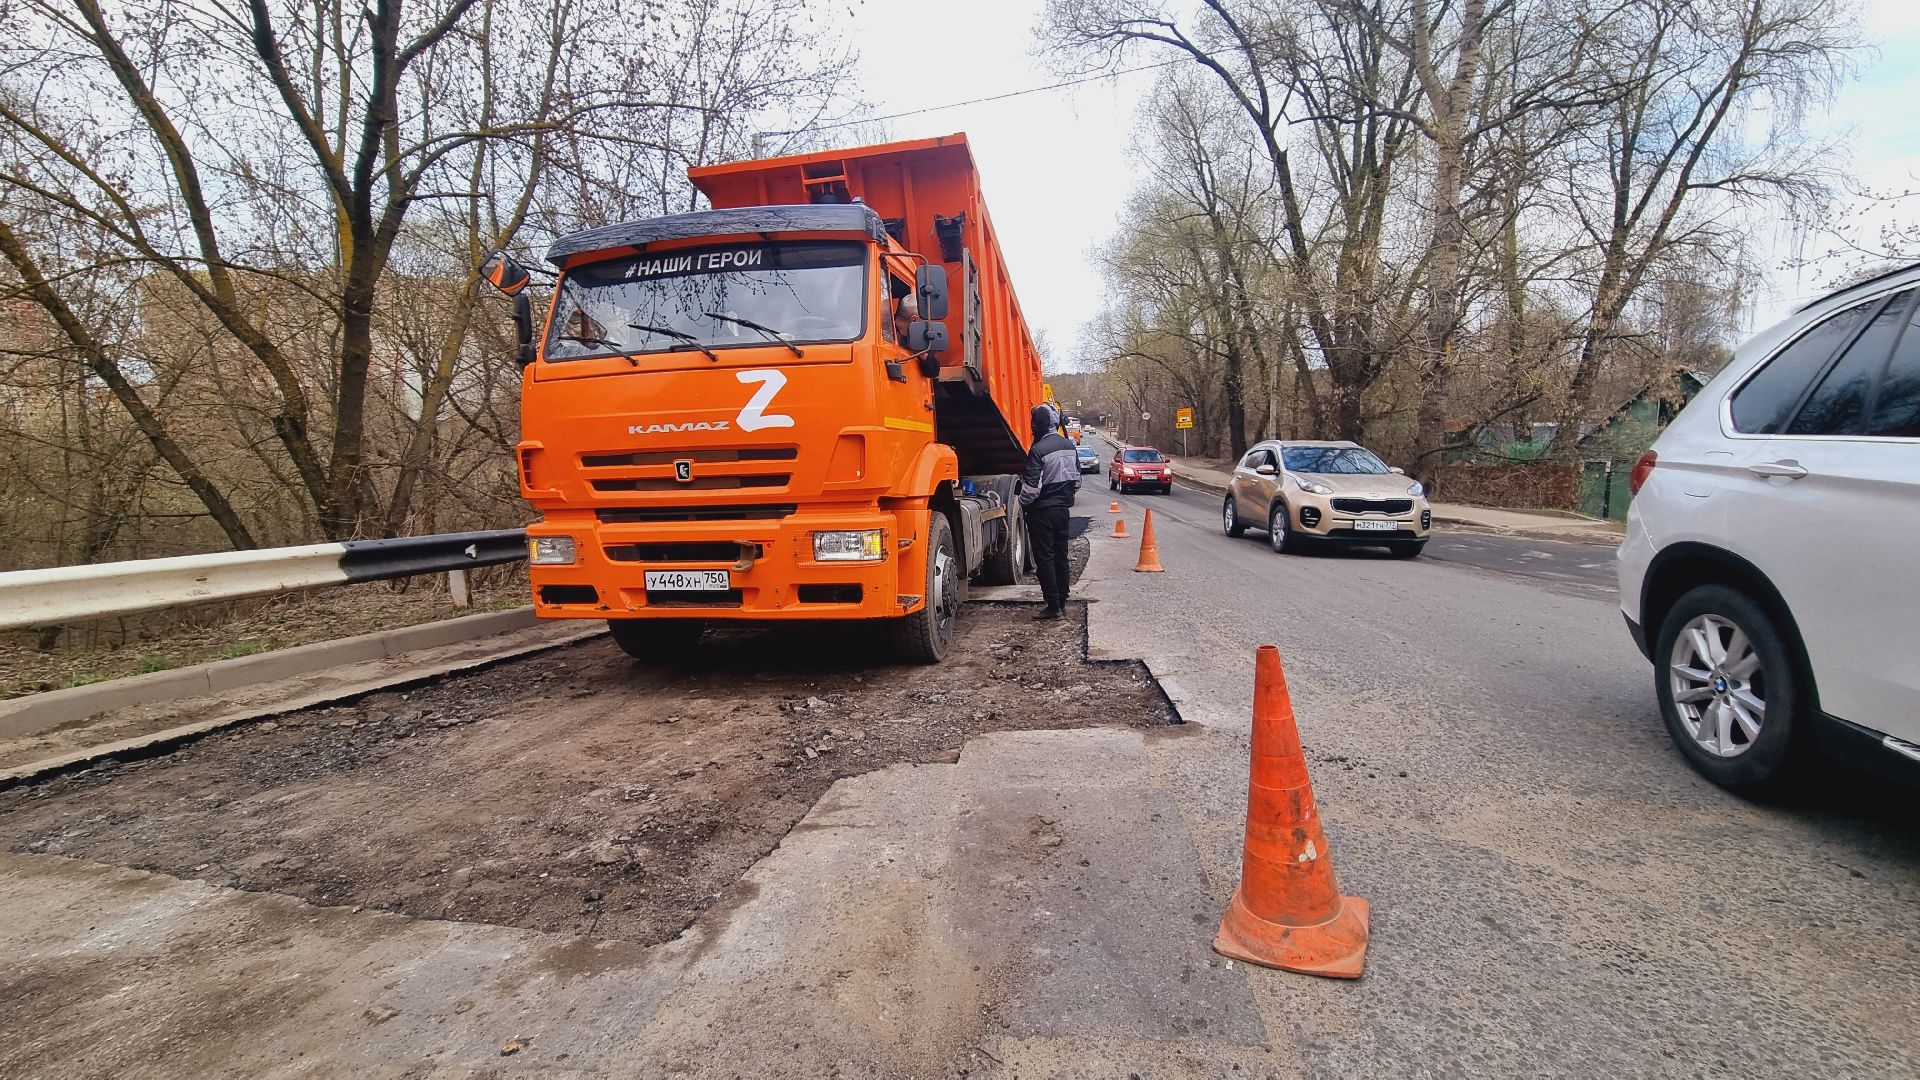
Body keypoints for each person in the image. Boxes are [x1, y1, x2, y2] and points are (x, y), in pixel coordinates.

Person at [1019, 403, 1081, 620]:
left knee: (1045, 558)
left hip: (1042, 513)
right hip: (1063, 511)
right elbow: (1077, 482)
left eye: (1034, 422)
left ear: (1042, 424)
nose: (1032, 426)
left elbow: (1031, 490)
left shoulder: (1038, 450)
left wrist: (1020, 503)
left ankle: (1053, 606)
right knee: (1061, 556)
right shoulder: (1069, 446)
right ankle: (1062, 601)